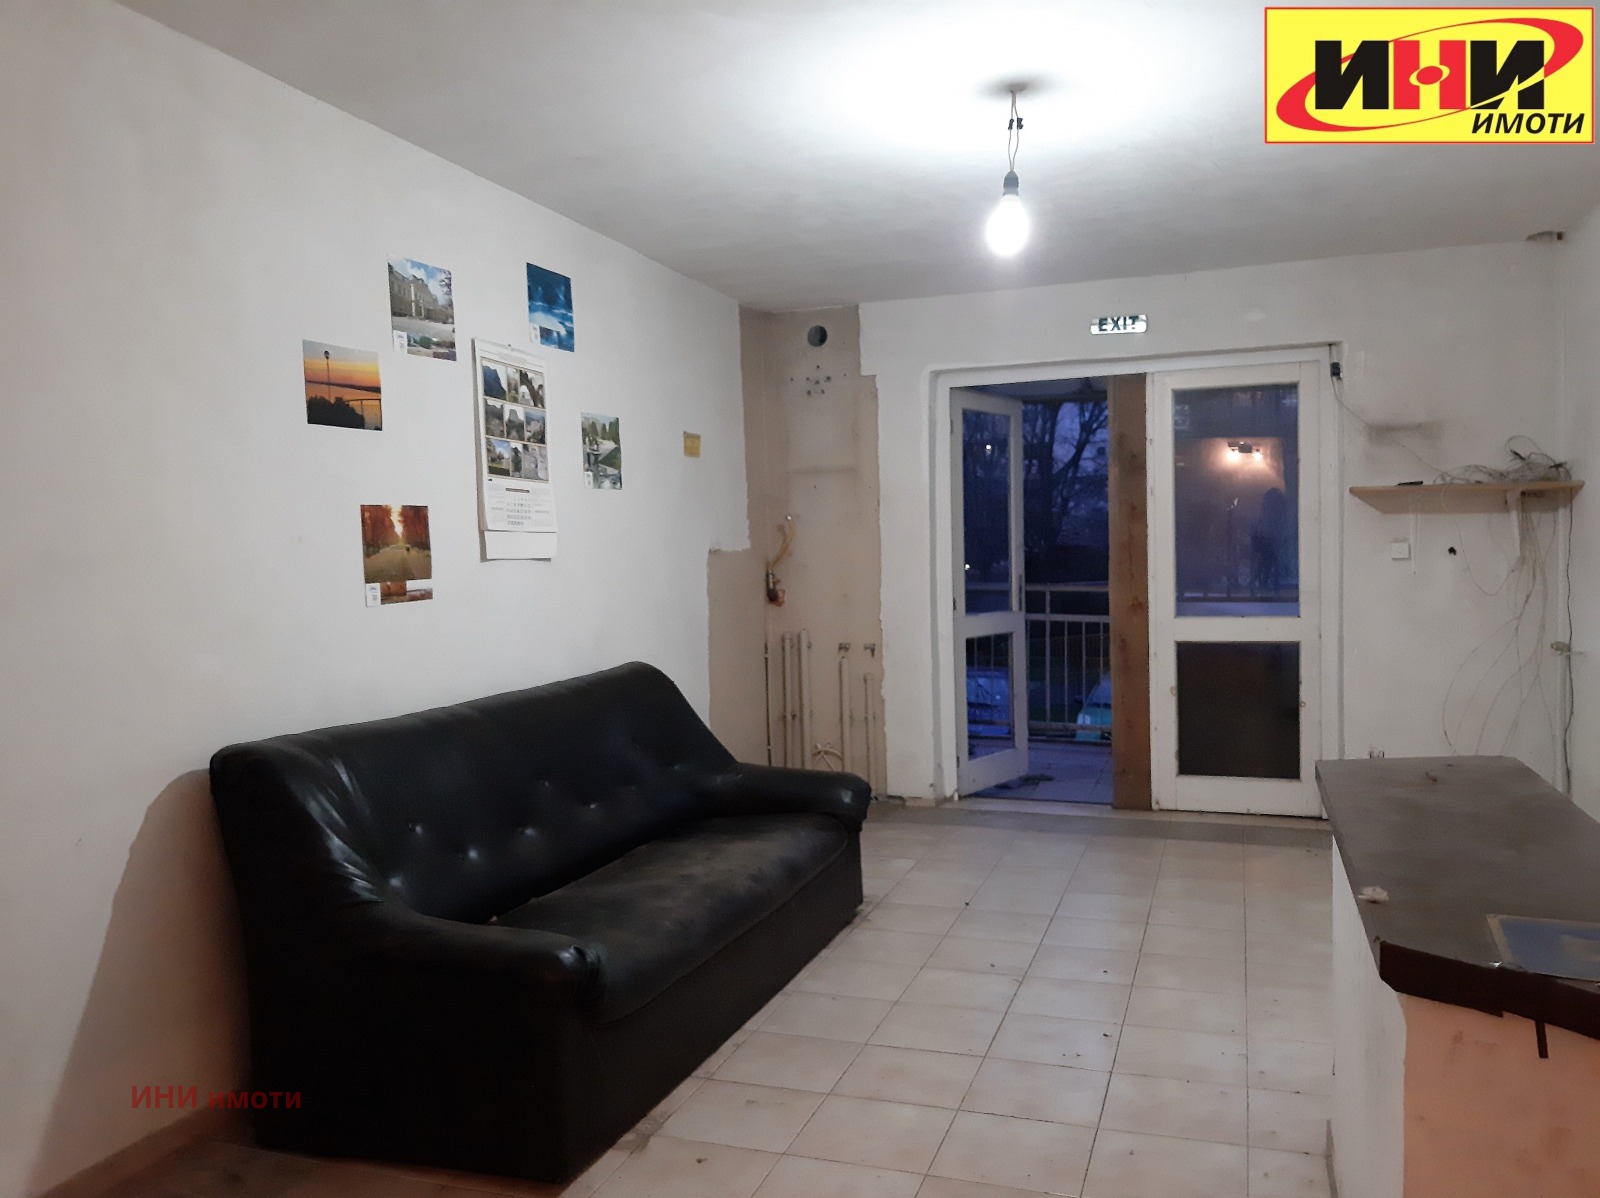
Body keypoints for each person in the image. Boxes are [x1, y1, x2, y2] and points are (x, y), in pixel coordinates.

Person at [1252, 488, 1289, 593]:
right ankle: (1263, 582)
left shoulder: (1267, 514)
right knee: (1269, 562)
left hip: (1267, 541)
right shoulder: (1273, 515)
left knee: (1267, 563)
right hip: (1268, 541)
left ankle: (1261, 582)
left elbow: (1262, 526)